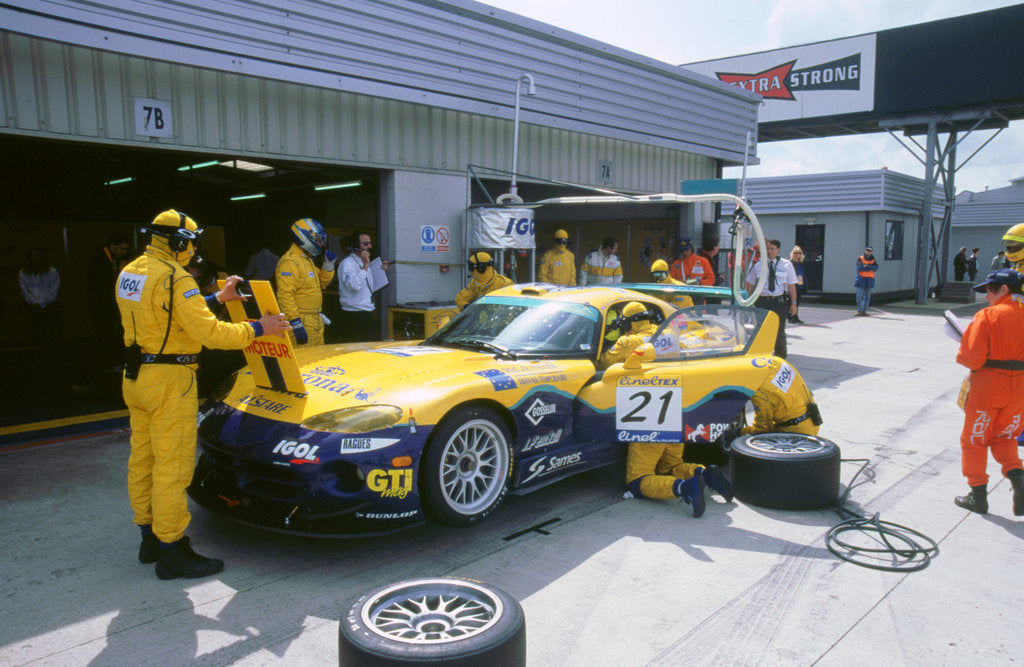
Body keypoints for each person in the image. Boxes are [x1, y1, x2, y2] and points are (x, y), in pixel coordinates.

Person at [116, 209, 291, 579]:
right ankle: (173, 550)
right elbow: (212, 336)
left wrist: (216, 298)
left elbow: (167, 315)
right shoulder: (177, 279)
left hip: (136, 376)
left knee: (143, 459)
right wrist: (260, 327)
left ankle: (148, 538)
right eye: (191, 243)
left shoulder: (131, 271)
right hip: (170, 380)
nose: (193, 251)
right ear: (179, 242)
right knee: (172, 465)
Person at [603, 302, 732, 517]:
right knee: (672, 465)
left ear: (631, 322)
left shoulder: (628, 341)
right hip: (677, 409)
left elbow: (604, 360)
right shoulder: (671, 334)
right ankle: (704, 473)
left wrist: (614, 334)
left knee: (637, 480)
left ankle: (685, 488)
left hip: (649, 414)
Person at [952, 268, 1024, 515]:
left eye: (989, 290)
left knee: (975, 439)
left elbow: (971, 359)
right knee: (1005, 436)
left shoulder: (988, 315)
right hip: (1020, 387)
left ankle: (977, 496)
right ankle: (1019, 480)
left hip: (989, 384)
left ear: (1004, 289)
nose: (986, 296)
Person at [276, 218, 337, 346]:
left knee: (317, 360)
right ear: (305, 236)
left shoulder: (306, 260)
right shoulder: (290, 262)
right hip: (302, 320)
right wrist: (296, 322)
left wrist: (328, 266)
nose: (320, 245)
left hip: (315, 318)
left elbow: (321, 284)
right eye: (318, 240)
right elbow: (285, 295)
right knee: (305, 361)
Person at [745, 238, 798, 359]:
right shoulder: (758, 265)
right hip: (762, 301)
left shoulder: (786, 265)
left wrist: (793, 304)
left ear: (778, 250)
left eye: (772, 249)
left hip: (778, 302)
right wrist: (749, 302)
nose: (769, 251)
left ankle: (780, 359)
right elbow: (751, 285)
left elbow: (791, 285)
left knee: (779, 333)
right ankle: (763, 357)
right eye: (767, 248)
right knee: (761, 331)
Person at [740, 357, 821, 435]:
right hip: (811, 419)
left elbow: (762, 429)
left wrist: (741, 432)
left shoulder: (760, 392)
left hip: (797, 432)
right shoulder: (776, 361)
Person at [88, 233, 132, 371]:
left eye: (126, 249)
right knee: (103, 338)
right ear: (112, 246)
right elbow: (102, 287)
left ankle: (108, 364)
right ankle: (98, 368)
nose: (124, 252)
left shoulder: (111, 259)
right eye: (122, 249)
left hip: (108, 306)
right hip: (103, 307)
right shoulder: (101, 261)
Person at [337, 231, 389, 342]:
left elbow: (369, 286)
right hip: (354, 315)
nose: (369, 246)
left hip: (367, 311)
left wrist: (381, 271)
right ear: (356, 246)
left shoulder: (365, 263)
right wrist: (365, 266)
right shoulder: (347, 264)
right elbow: (354, 285)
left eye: (370, 243)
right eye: (365, 244)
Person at [18, 247, 61, 351]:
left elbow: (54, 290)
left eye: (37, 255)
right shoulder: (23, 273)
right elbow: (24, 291)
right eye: (32, 256)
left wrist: (42, 303)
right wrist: (34, 302)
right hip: (32, 307)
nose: (35, 258)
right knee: (35, 335)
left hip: (49, 306)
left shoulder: (52, 272)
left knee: (51, 334)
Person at [854, 247, 878, 316]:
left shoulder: (873, 260)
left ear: (872, 252)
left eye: (870, 251)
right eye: (867, 250)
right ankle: (859, 311)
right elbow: (859, 267)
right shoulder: (860, 258)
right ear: (865, 251)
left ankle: (864, 311)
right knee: (859, 296)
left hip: (870, 279)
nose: (868, 252)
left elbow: (876, 267)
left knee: (867, 297)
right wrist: (870, 268)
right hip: (861, 279)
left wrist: (866, 266)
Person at [788, 246, 806, 324]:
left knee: (797, 302)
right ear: (792, 254)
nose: (797, 254)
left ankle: (795, 316)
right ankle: (790, 317)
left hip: (800, 284)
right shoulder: (791, 263)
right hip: (793, 284)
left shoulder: (800, 263)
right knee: (791, 301)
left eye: (799, 253)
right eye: (795, 253)